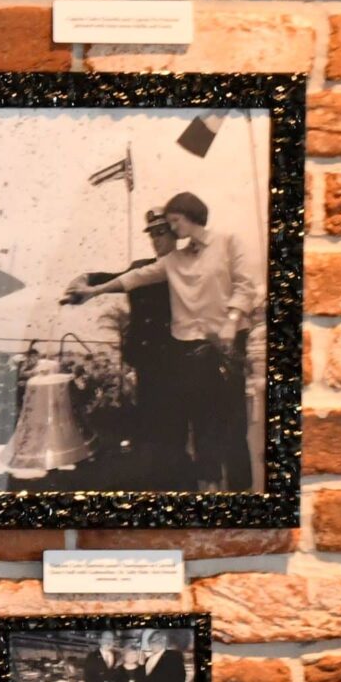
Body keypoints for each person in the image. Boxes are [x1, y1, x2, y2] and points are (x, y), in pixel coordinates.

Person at [67, 191, 258, 493]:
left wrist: (231, 322)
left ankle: (242, 493)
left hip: (224, 346)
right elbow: (132, 277)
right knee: (201, 427)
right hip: (185, 356)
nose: (164, 234)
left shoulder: (225, 243)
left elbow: (246, 287)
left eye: (170, 225)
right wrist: (92, 288)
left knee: (232, 425)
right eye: (156, 231)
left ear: (188, 218)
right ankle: (203, 489)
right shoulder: (171, 261)